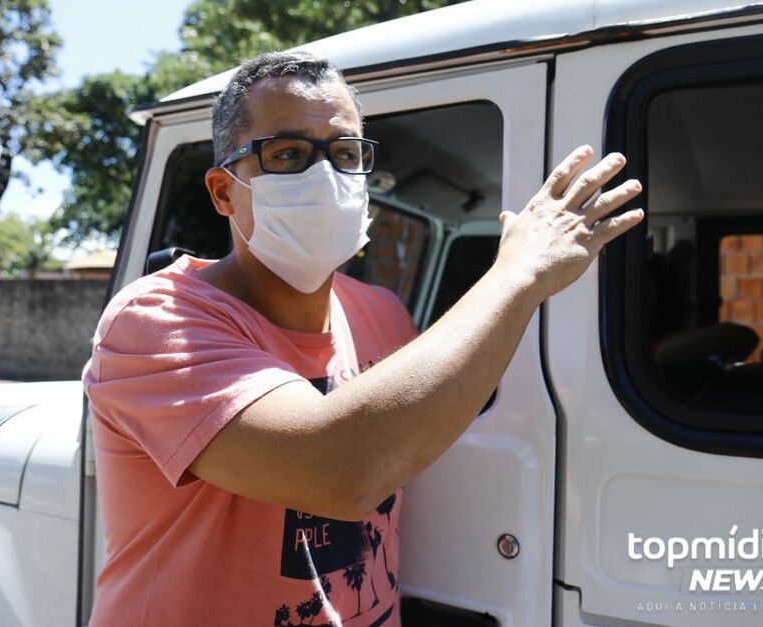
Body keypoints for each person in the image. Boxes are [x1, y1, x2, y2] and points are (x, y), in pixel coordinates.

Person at [82, 51, 644, 626]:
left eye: (345, 154)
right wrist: (518, 273)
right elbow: (342, 471)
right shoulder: (154, 322)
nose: (325, 176)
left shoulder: (381, 311)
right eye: (288, 155)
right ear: (224, 192)